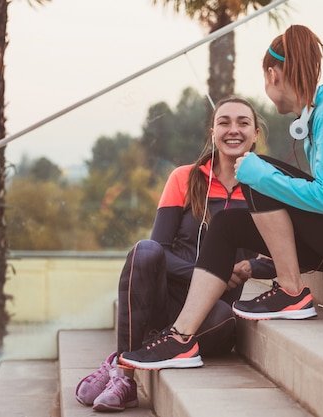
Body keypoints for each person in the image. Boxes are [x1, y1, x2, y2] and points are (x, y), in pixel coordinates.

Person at [118, 24, 323, 371]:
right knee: (226, 224)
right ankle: (180, 339)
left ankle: (291, 291)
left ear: (273, 74)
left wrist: (259, 173)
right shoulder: (318, 116)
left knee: (254, 171)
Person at [75, 97, 276, 412]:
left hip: (212, 314)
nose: (233, 130)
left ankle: (126, 356)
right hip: (167, 300)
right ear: (213, 131)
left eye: (242, 123)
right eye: (224, 122)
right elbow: (159, 251)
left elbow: (283, 258)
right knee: (144, 249)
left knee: (225, 320)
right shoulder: (184, 178)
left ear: (255, 134)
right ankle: (125, 376)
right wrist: (214, 275)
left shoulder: (267, 188)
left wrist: (251, 265)